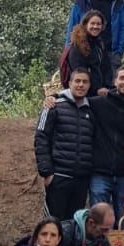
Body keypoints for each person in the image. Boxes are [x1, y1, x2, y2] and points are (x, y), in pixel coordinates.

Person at [35, 68, 94, 220]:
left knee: (75, 226)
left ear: (89, 85)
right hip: (59, 178)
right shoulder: (54, 106)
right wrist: (46, 172)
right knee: (53, 224)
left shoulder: (92, 110)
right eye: (77, 81)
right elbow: (41, 137)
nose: (81, 85)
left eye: (85, 82)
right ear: (69, 83)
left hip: (81, 181)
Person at [88, 65, 124, 219]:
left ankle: (118, 245)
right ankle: (98, 245)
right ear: (115, 81)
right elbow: (76, 97)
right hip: (100, 173)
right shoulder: (99, 104)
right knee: (98, 220)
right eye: (122, 78)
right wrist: (53, 97)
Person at [65, 0, 124, 72]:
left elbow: (123, 27)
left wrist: (119, 51)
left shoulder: (117, 1)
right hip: (85, 51)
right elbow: (73, 25)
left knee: (110, 87)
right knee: (86, 84)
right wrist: (68, 48)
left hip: (110, 53)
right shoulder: (82, 0)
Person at [64, 11, 113, 95]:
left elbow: (106, 67)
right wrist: (95, 90)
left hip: (101, 91)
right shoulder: (77, 46)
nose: (95, 26)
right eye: (92, 23)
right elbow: (79, 73)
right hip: (85, 93)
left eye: (98, 24)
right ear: (86, 24)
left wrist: (107, 86)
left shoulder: (99, 44)